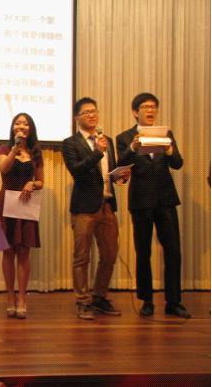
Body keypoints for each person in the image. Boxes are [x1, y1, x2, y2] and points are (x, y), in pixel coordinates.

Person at [116, 93, 190, 318]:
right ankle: (146, 300)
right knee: (143, 251)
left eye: (153, 107)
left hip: (165, 199)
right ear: (135, 112)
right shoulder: (125, 137)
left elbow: (177, 163)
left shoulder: (165, 134)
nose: (150, 110)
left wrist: (169, 150)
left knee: (173, 251)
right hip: (141, 200)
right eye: (145, 107)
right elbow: (121, 166)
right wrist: (132, 147)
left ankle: (173, 302)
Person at [62, 97, 125, 320]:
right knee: (82, 257)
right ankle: (83, 301)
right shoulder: (70, 143)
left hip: (107, 205)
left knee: (109, 254)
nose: (92, 115)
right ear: (77, 117)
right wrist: (97, 152)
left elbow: (110, 173)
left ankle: (99, 297)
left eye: (94, 111)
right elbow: (77, 171)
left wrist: (121, 175)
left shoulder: (107, 140)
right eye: (86, 112)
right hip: (84, 208)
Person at [0, 113, 44, 319]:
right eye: (17, 123)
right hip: (5, 203)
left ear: (30, 129)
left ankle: (22, 298)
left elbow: (41, 181)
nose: (21, 126)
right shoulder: (4, 148)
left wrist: (32, 183)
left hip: (25, 205)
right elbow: (3, 168)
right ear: (12, 127)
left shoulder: (36, 152)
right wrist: (15, 149)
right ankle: (10, 298)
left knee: (24, 252)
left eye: (25, 124)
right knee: (7, 252)